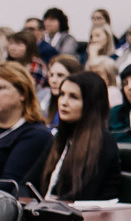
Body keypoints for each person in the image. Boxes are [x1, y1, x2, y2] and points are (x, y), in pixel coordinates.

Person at [37, 72, 121, 202]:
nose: (64, 102)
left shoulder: (104, 141)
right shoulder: (61, 137)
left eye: (73, 97)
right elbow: (28, 181)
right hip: (54, 212)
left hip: (93, 218)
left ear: (91, 104)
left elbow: (82, 195)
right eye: (62, 95)